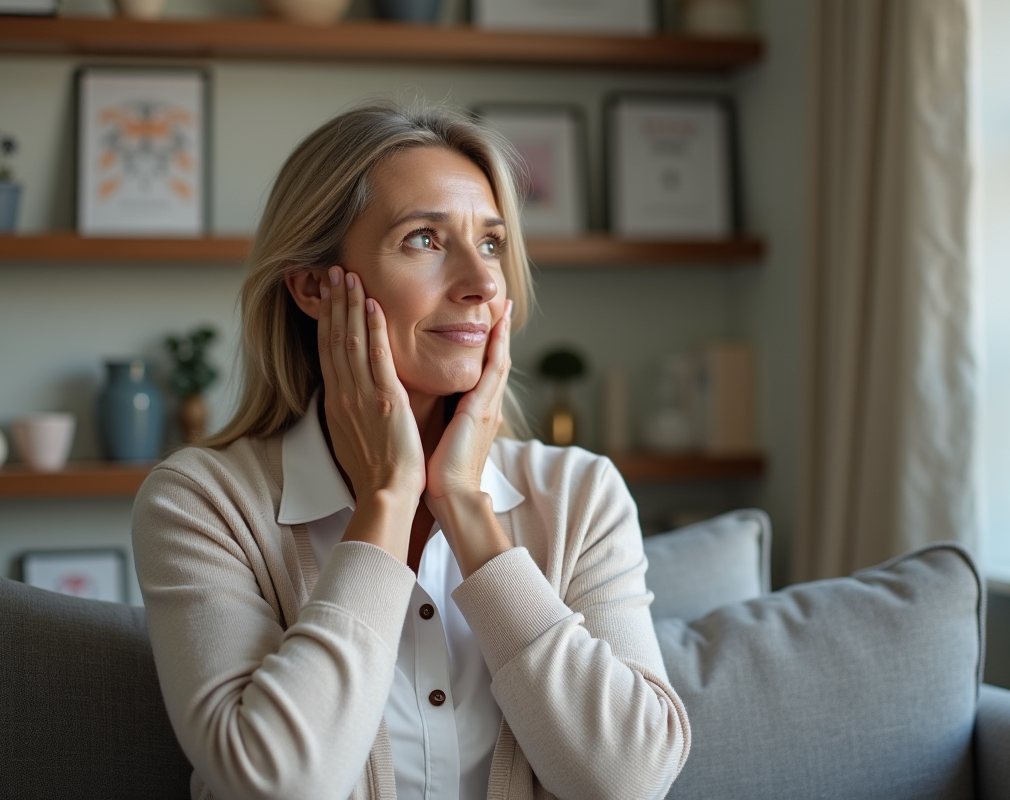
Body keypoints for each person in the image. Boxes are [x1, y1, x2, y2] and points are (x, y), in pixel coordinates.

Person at [132, 101, 690, 800]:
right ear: (312, 286)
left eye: (490, 243)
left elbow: (630, 780)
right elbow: (276, 786)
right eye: (424, 239)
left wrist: (464, 507)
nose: (483, 284)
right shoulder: (201, 502)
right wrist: (388, 500)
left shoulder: (581, 494)